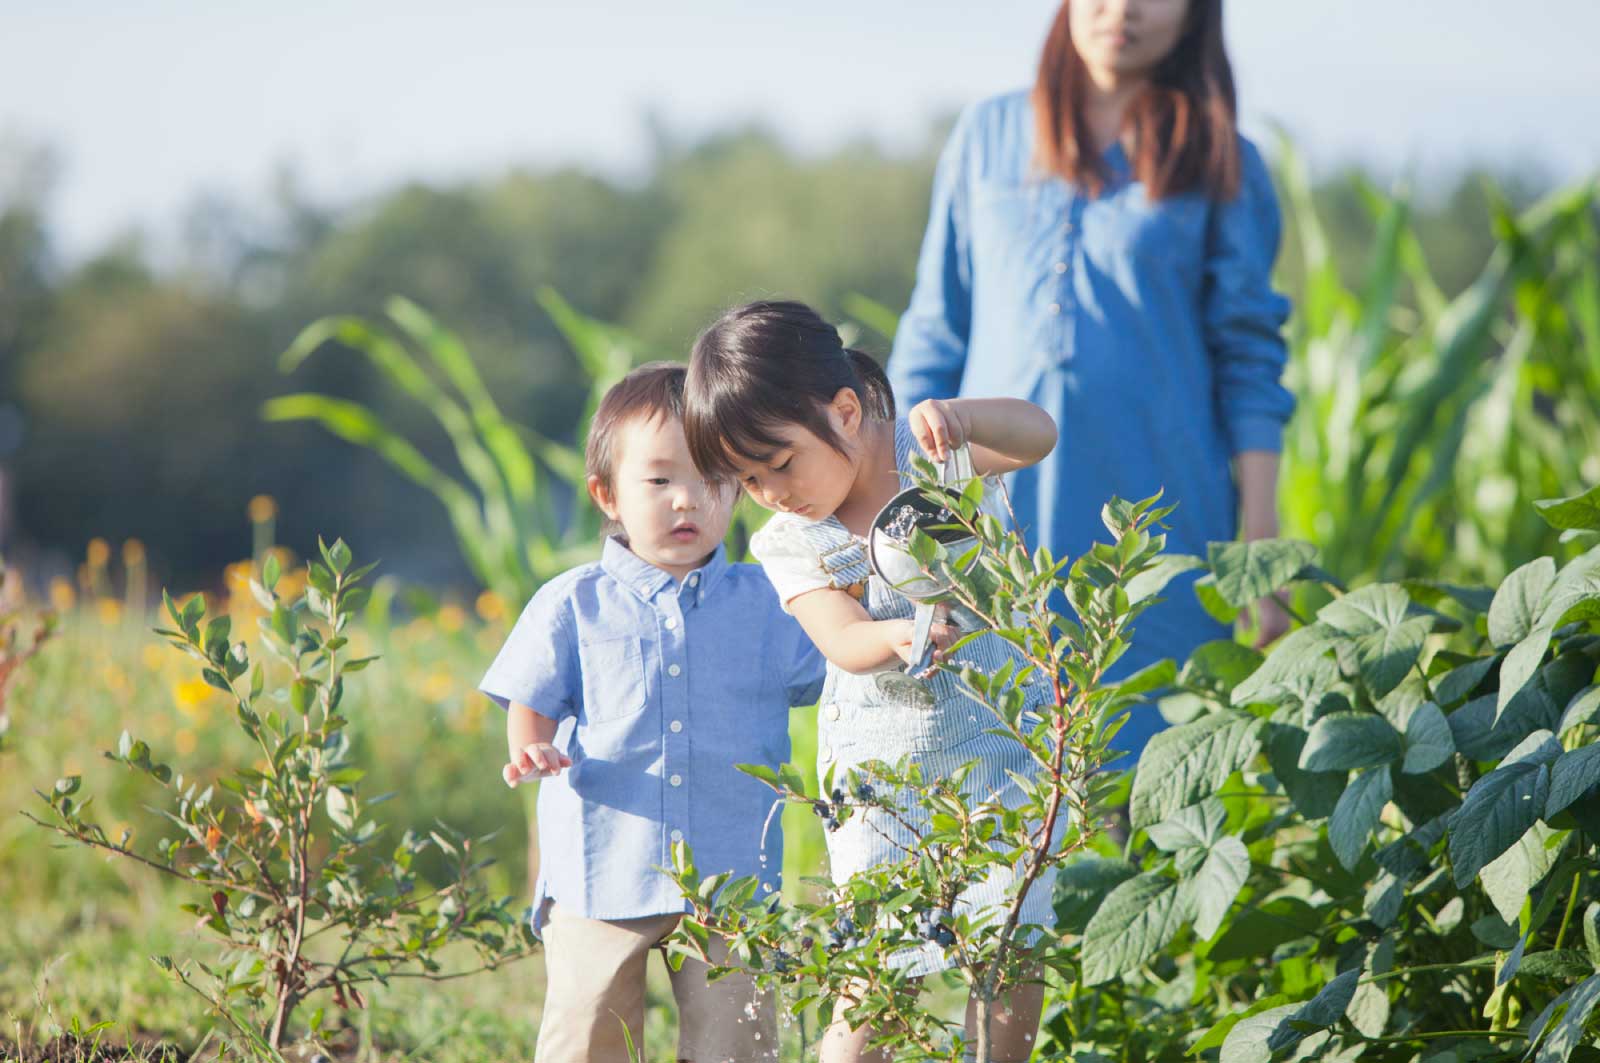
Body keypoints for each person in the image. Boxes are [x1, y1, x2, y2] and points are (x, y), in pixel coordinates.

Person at [889, 0, 1295, 765]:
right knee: (988, 768)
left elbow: (1250, 362)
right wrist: (888, 501)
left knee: (1149, 774)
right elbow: (934, 331)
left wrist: (1261, 546)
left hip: (1157, 521)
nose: (1124, 10)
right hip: (988, 515)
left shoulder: (1220, 160)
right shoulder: (987, 136)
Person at [682, 300, 1060, 1063]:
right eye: (748, 478)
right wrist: (901, 633)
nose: (772, 491)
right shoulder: (791, 538)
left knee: (1010, 950)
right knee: (878, 972)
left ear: (846, 410)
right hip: (881, 782)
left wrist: (961, 413)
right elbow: (843, 638)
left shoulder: (934, 464)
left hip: (998, 751)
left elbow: (1037, 435)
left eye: (780, 462)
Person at [478, 362, 824, 1063]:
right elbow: (531, 698)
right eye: (660, 480)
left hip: (732, 873)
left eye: (713, 479)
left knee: (737, 1038)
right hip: (603, 868)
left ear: (743, 489)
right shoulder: (573, 601)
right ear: (607, 493)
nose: (686, 501)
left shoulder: (772, 600)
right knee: (588, 1032)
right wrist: (531, 746)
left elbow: (835, 662)